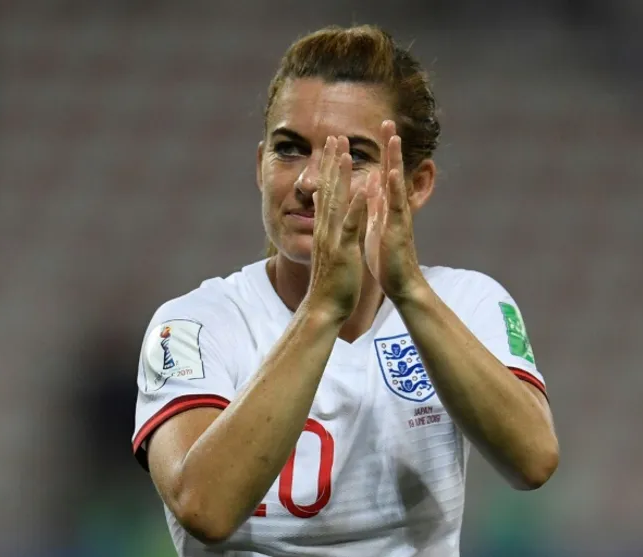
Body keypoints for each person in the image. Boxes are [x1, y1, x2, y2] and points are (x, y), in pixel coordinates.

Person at [131, 24, 559, 557]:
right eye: (289, 149)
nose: (311, 182)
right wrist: (323, 309)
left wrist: (410, 292)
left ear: (416, 184)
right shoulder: (193, 327)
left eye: (354, 156)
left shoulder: (468, 304)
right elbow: (205, 509)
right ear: (260, 167)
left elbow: (533, 461)